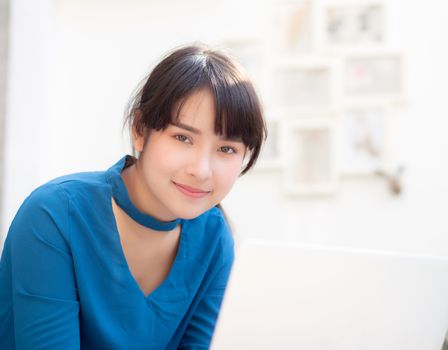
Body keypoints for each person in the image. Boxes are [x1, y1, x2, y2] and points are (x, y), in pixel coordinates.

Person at [0, 44, 266, 349]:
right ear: (141, 130)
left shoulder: (214, 238)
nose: (202, 170)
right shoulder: (54, 215)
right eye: (183, 138)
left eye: (226, 149)